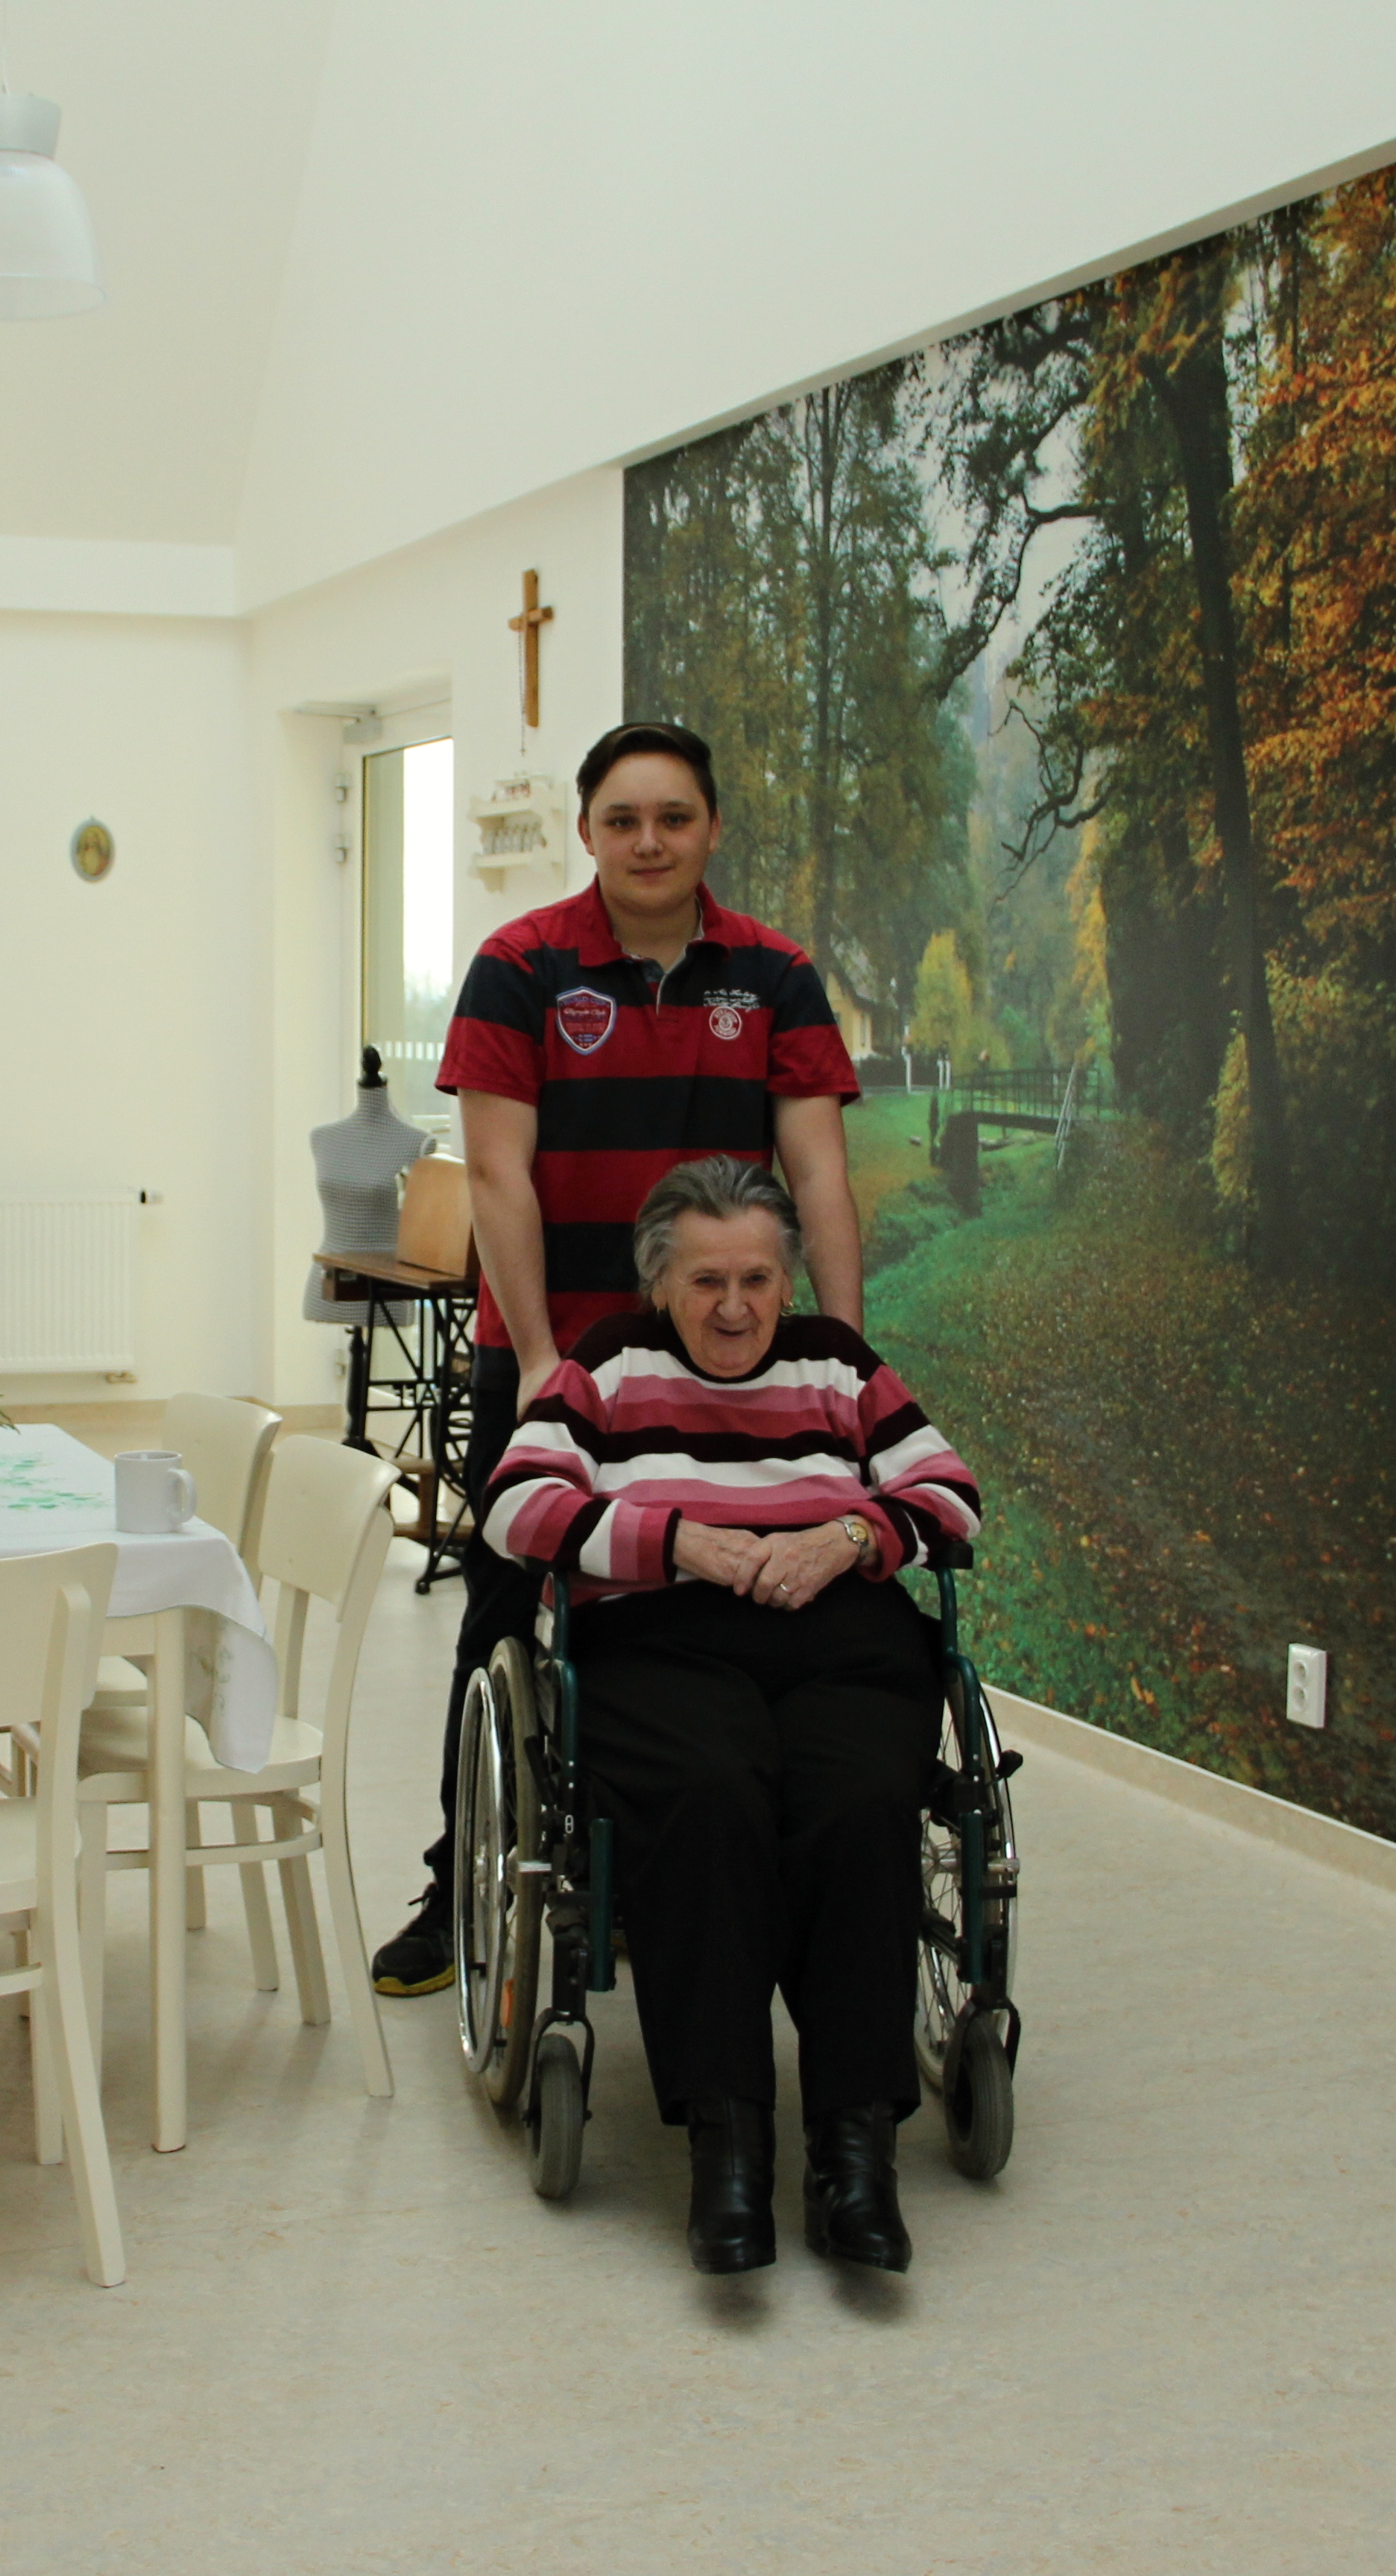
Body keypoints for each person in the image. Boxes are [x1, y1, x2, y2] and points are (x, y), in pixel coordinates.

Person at [367, 719, 865, 1999]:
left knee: (701, 1615)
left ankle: (682, 1865)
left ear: (711, 829)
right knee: (502, 1619)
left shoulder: (777, 976)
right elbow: (498, 1175)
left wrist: (847, 1357)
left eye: (674, 817)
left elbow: (818, 1171)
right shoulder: (519, 969)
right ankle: (458, 1880)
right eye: (624, 820)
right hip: (557, 1368)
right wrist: (540, 1354)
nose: (650, 842)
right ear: (587, 833)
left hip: (726, 1369)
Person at [483, 1158, 983, 2274]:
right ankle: (730, 2145)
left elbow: (951, 1495)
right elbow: (515, 1505)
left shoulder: (838, 1363)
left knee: (861, 1802)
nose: (735, 1307)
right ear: (661, 1283)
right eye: (706, 1281)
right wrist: (678, 1543)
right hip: (663, 1636)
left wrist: (849, 1538)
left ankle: (855, 2149)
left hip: (838, 1633)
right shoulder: (610, 1363)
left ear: (786, 1279)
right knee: (708, 1798)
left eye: (757, 1279)